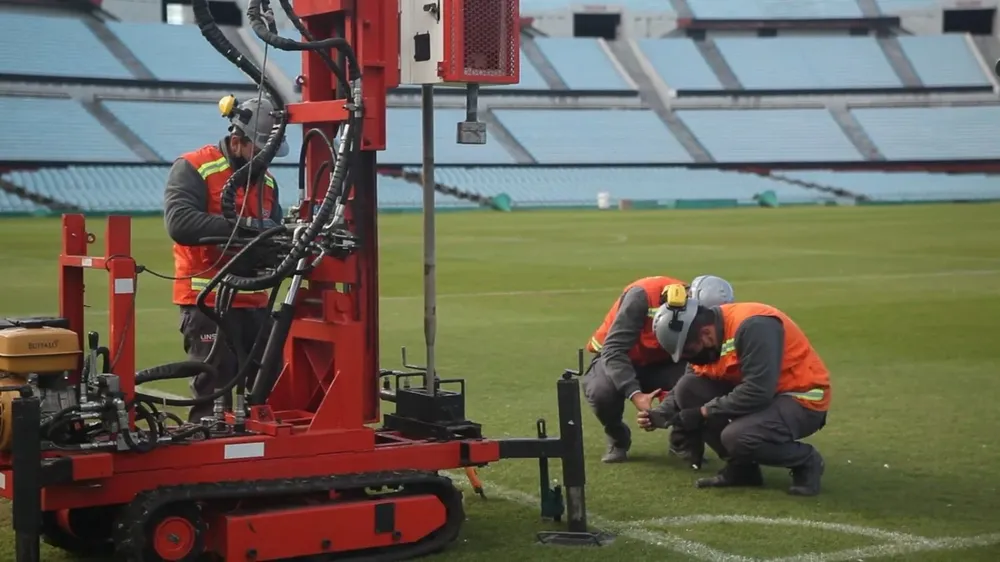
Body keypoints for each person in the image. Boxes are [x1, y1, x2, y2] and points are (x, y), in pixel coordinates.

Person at [164, 96, 289, 422]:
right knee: (213, 396)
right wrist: (245, 229)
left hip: (255, 303)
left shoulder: (268, 182)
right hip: (207, 302)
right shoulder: (194, 167)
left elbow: (271, 236)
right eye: (261, 150)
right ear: (237, 141)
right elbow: (180, 223)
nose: (267, 160)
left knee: (265, 392)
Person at [638, 288, 830, 496]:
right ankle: (743, 470)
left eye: (689, 351)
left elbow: (757, 391)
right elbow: (690, 380)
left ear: (706, 334)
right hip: (767, 397)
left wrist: (703, 412)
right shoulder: (707, 332)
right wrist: (661, 414)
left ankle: (805, 461)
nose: (688, 358)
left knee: (737, 437)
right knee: (689, 390)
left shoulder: (755, 326)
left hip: (802, 399)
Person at [582, 275, 735, 463]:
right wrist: (635, 394)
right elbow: (614, 351)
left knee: (696, 385)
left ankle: (683, 441)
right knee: (601, 392)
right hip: (618, 358)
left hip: (664, 363)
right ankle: (617, 436)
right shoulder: (642, 297)